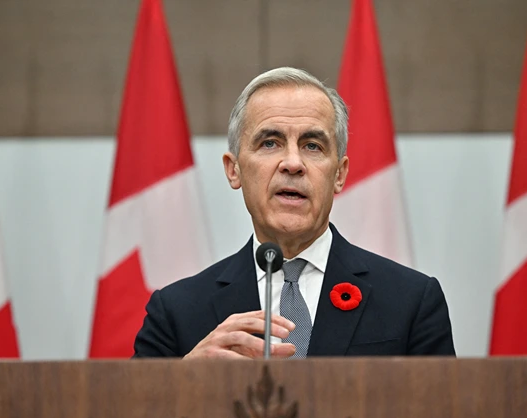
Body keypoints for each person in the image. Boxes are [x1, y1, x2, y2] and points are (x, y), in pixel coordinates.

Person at [133, 67, 454, 360]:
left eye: (312, 146)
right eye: (270, 143)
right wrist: (182, 380)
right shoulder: (176, 312)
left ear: (339, 174)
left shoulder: (411, 301)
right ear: (234, 171)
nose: (293, 163)